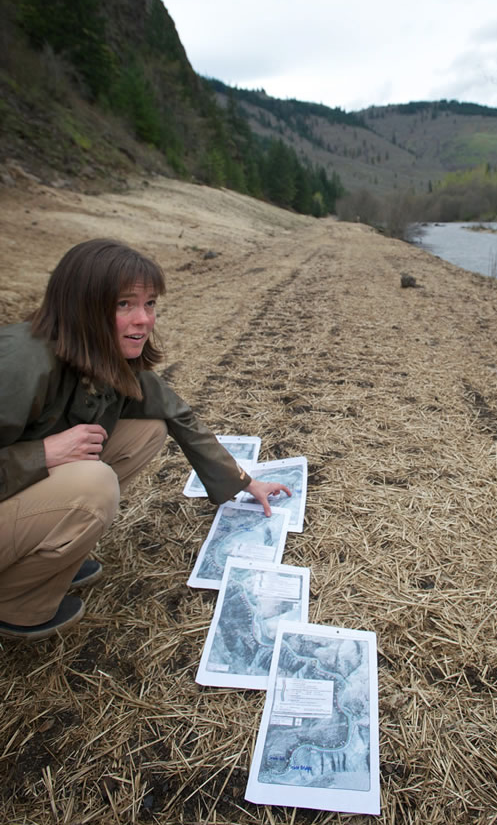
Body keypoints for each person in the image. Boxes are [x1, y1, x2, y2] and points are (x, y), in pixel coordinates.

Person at [0, 238, 290, 641]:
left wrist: (244, 482)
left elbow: (177, 414)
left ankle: (49, 555)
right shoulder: (18, 364)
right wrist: (43, 454)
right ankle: (16, 604)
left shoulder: (102, 353)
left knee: (149, 428)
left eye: (150, 304)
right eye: (124, 305)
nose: (144, 320)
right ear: (80, 305)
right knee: (93, 484)